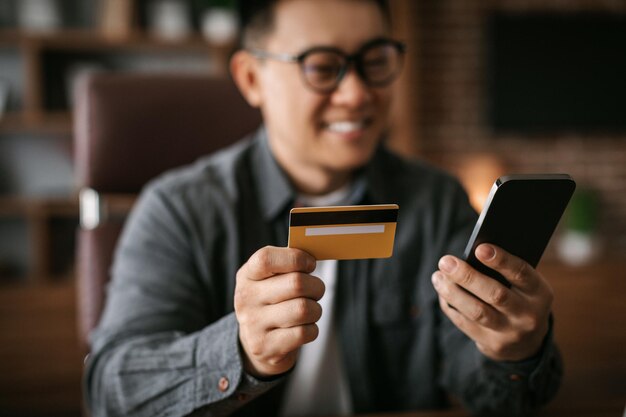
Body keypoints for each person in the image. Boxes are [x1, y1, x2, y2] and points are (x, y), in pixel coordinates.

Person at [85, 1, 562, 416]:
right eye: (321, 65)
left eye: (374, 60)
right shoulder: (180, 210)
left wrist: (515, 352)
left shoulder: (435, 201)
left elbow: (490, 397)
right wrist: (240, 351)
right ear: (252, 78)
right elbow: (112, 391)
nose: (356, 94)